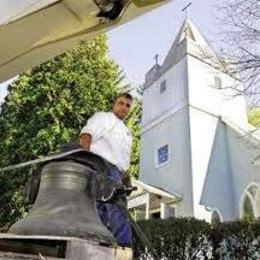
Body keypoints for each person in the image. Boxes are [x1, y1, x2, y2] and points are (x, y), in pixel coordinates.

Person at [79, 93, 133, 247]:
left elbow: (124, 160)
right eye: (121, 103)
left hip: (117, 173)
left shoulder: (128, 133)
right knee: (116, 209)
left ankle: (97, 245)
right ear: (114, 104)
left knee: (102, 210)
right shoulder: (104, 118)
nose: (124, 107)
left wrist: (126, 180)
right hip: (101, 166)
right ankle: (125, 247)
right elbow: (86, 135)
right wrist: (84, 161)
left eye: (127, 105)